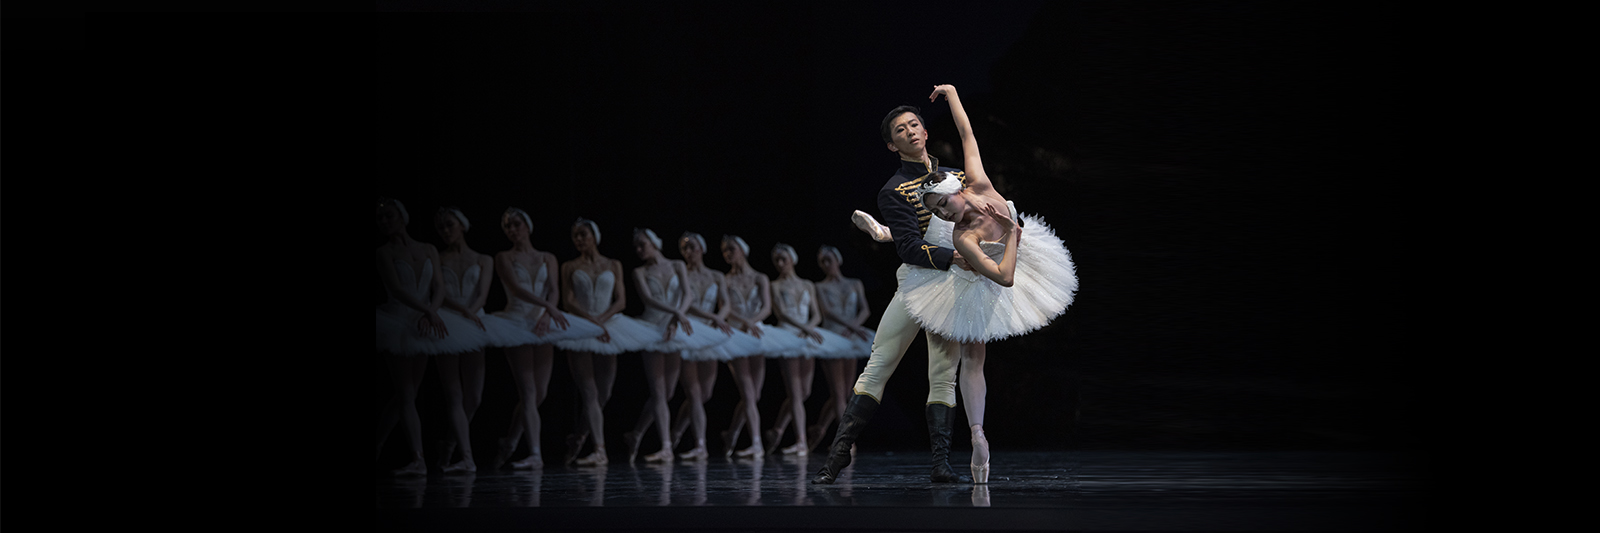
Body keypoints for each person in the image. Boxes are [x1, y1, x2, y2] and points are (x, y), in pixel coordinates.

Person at [854, 84, 1079, 484]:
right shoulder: (966, 216)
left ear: (956, 191)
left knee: (974, 360)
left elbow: (966, 133)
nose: (944, 210)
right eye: (938, 208)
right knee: (972, 360)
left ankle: (888, 234)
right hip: (996, 257)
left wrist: (953, 95)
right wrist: (1011, 232)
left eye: (942, 203)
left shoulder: (966, 209)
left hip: (1005, 258)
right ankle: (978, 433)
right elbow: (967, 136)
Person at [812, 93, 976, 485]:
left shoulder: (957, 176)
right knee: (879, 364)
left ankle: (941, 463)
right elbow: (910, 248)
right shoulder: (895, 189)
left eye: (914, 124)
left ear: (924, 129)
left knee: (943, 374)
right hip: (920, 281)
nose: (910, 132)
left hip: (952, 285)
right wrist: (954, 257)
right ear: (892, 144)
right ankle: (837, 457)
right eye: (900, 130)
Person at [375, 198, 489, 476]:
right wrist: (429, 309)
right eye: (381, 219)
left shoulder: (427, 249)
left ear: (402, 217)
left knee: (409, 393)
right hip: (399, 319)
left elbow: (437, 286)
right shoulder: (383, 252)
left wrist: (431, 311)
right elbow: (396, 288)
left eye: (389, 216)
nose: (385, 222)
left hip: (426, 320)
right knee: (405, 393)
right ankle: (418, 458)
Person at [486, 207, 606, 470]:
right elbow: (516, 289)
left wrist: (548, 311)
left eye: (516, 224)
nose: (512, 230)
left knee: (539, 392)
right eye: (508, 227)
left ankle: (510, 441)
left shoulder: (547, 257)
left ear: (528, 227)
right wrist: (549, 308)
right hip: (516, 322)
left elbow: (554, 289)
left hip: (543, 323)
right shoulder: (503, 257)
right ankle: (535, 454)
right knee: (528, 393)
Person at [553, 218, 661, 466]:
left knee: (604, 392)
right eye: (575, 236)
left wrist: (601, 321)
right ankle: (599, 449)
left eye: (583, 234)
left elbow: (621, 301)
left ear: (594, 235)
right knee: (589, 392)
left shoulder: (613, 264)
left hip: (608, 325)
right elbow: (568, 300)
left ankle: (579, 436)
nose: (579, 240)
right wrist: (591, 322)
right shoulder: (569, 266)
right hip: (581, 326)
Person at [620, 227, 729, 463]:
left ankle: (637, 434)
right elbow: (649, 299)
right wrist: (676, 313)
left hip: (675, 328)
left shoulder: (677, 265)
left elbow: (687, 296)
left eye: (642, 244)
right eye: (636, 247)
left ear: (654, 242)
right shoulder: (639, 272)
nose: (639, 250)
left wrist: (676, 316)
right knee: (659, 392)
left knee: (669, 392)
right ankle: (666, 446)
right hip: (652, 329)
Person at [669, 232, 763, 460]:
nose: (688, 252)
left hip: (714, 334)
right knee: (694, 393)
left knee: (706, 394)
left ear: (701, 249)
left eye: (692, 247)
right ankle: (700, 444)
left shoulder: (716, 275)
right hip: (691, 332)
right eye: (684, 249)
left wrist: (717, 318)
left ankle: (678, 432)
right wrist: (716, 317)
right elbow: (686, 303)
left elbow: (725, 305)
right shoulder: (682, 274)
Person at [718, 235, 808, 458]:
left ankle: (732, 432)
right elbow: (725, 308)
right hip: (737, 334)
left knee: (754, 395)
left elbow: (767, 307)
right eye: (724, 251)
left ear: (743, 250)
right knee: (748, 394)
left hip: (757, 333)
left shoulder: (760, 277)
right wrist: (744, 323)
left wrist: (753, 321)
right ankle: (756, 443)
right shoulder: (724, 279)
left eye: (732, 249)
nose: (728, 253)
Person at [763, 243, 856, 456]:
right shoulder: (774, 285)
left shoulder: (807, 285)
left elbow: (816, 313)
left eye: (783, 259)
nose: (780, 264)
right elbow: (780, 313)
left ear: (792, 260)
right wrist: (804, 327)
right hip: (788, 334)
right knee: (795, 393)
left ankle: (778, 429)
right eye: (777, 260)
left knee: (805, 391)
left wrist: (810, 327)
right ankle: (800, 441)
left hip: (807, 335)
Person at [807, 245, 875, 453]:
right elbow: (826, 311)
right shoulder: (819, 286)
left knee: (846, 393)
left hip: (852, 336)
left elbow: (865, 309)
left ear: (838, 260)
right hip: (834, 336)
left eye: (829, 260)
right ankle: (846, 440)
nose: (827, 265)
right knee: (838, 393)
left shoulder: (854, 283)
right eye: (822, 262)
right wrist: (850, 326)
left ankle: (819, 428)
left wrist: (854, 326)